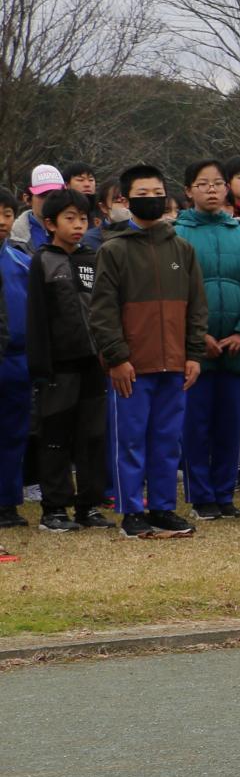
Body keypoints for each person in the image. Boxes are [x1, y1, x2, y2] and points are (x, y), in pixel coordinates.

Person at [87, 165, 205, 539]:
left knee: (167, 441)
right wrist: (117, 358)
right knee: (131, 439)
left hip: (174, 364)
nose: (151, 198)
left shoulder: (183, 249)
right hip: (132, 367)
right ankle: (131, 511)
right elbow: (102, 311)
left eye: (157, 192)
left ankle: (163, 508)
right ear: (126, 199)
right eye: (143, 192)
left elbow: (197, 306)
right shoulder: (113, 250)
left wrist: (194, 353)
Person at [174, 158, 240, 521]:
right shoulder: (178, 234)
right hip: (196, 349)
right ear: (189, 189)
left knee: (230, 424)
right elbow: (175, 293)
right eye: (203, 183)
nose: (212, 190)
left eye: (218, 183)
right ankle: (201, 495)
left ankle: (225, 494)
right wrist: (198, 335)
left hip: (237, 347)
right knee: (196, 425)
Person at [25, 190, 110, 530]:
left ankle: (88, 506)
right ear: (50, 223)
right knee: (55, 437)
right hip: (58, 366)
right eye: (69, 218)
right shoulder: (42, 260)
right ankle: (54, 509)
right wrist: (41, 367)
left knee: (92, 436)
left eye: (83, 219)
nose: (77, 226)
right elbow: (37, 318)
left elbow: (105, 309)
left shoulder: (93, 258)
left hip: (94, 363)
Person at [0, 228, 27, 527]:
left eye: (7, 213)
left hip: (17, 359)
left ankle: (7, 502)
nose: (2, 220)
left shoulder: (22, 262)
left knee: (13, 433)